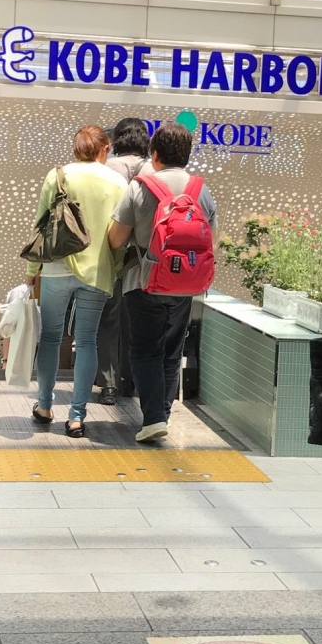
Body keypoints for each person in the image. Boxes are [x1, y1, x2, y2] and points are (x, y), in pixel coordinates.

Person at [107, 121, 217, 443]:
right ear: (187, 155)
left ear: (154, 154)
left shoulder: (140, 187)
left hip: (145, 281)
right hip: (185, 284)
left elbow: (116, 239)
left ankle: (154, 418)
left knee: (144, 350)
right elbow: (211, 239)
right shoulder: (200, 189)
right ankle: (162, 415)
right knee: (171, 350)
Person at [28, 125, 128, 439]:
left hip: (57, 267)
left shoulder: (58, 176)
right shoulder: (118, 182)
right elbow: (120, 233)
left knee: (50, 337)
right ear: (105, 148)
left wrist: (32, 270)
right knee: (86, 341)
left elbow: (40, 224)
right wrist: (115, 268)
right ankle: (76, 417)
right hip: (97, 271)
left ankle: (45, 406)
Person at [95, 118, 152, 405]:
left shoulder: (107, 168)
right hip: (144, 258)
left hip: (111, 252)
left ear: (116, 139)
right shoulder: (153, 170)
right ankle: (132, 381)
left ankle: (108, 384)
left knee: (108, 318)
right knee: (137, 319)